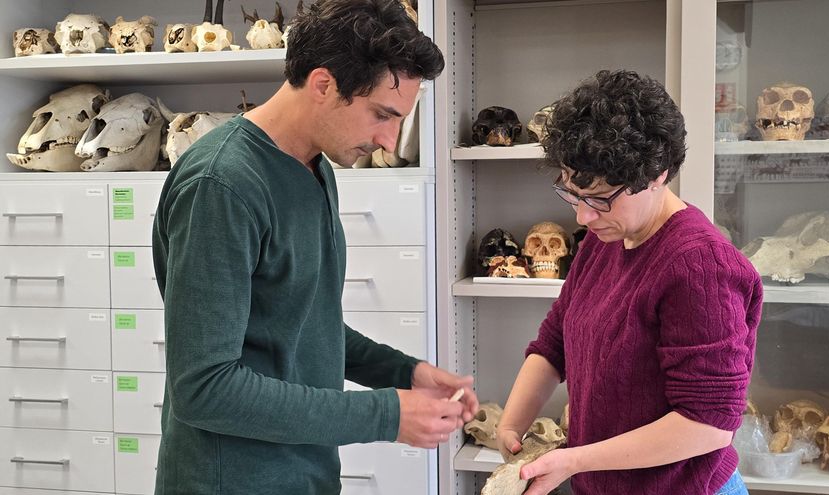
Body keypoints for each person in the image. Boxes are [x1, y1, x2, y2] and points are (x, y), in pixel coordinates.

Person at [151, 1, 478, 493]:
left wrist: (404, 372)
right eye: (381, 115)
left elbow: (301, 323)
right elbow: (203, 388)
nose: (389, 141)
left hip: (305, 473)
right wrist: (384, 415)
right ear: (324, 85)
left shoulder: (315, 167)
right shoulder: (221, 184)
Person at [495, 70, 763, 495]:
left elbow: (709, 425)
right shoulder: (606, 237)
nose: (583, 216)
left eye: (600, 198)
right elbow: (554, 343)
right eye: (571, 192)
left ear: (657, 174)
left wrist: (575, 460)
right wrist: (512, 423)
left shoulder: (700, 267)